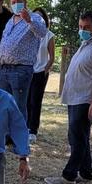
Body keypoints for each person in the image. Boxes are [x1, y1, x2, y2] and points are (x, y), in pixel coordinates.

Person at [46, 12, 92, 184]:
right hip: (75, 97)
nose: (83, 30)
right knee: (79, 136)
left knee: (77, 138)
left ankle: (69, 175)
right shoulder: (86, 44)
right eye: (80, 27)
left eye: (87, 27)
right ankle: (86, 173)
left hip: (86, 99)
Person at [0, 0, 49, 130]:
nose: (16, 4)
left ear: (25, 2)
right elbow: (3, 43)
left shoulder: (35, 18)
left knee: (18, 106)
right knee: (4, 105)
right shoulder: (10, 21)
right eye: (13, 2)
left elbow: (42, 33)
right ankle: (7, 135)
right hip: (4, 69)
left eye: (19, 1)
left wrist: (28, 20)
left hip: (20, 69)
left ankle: (19, 138)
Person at [26, 8, 55, 142]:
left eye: (40, 17)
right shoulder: (28, 32)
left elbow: (52, 57)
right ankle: (25, 126)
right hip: (27, 70)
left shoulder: (48, 35)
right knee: (26, 100)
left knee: (35, 101)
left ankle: (33, 129)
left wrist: (45, 69)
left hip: (40, 73)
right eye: (35, 17)